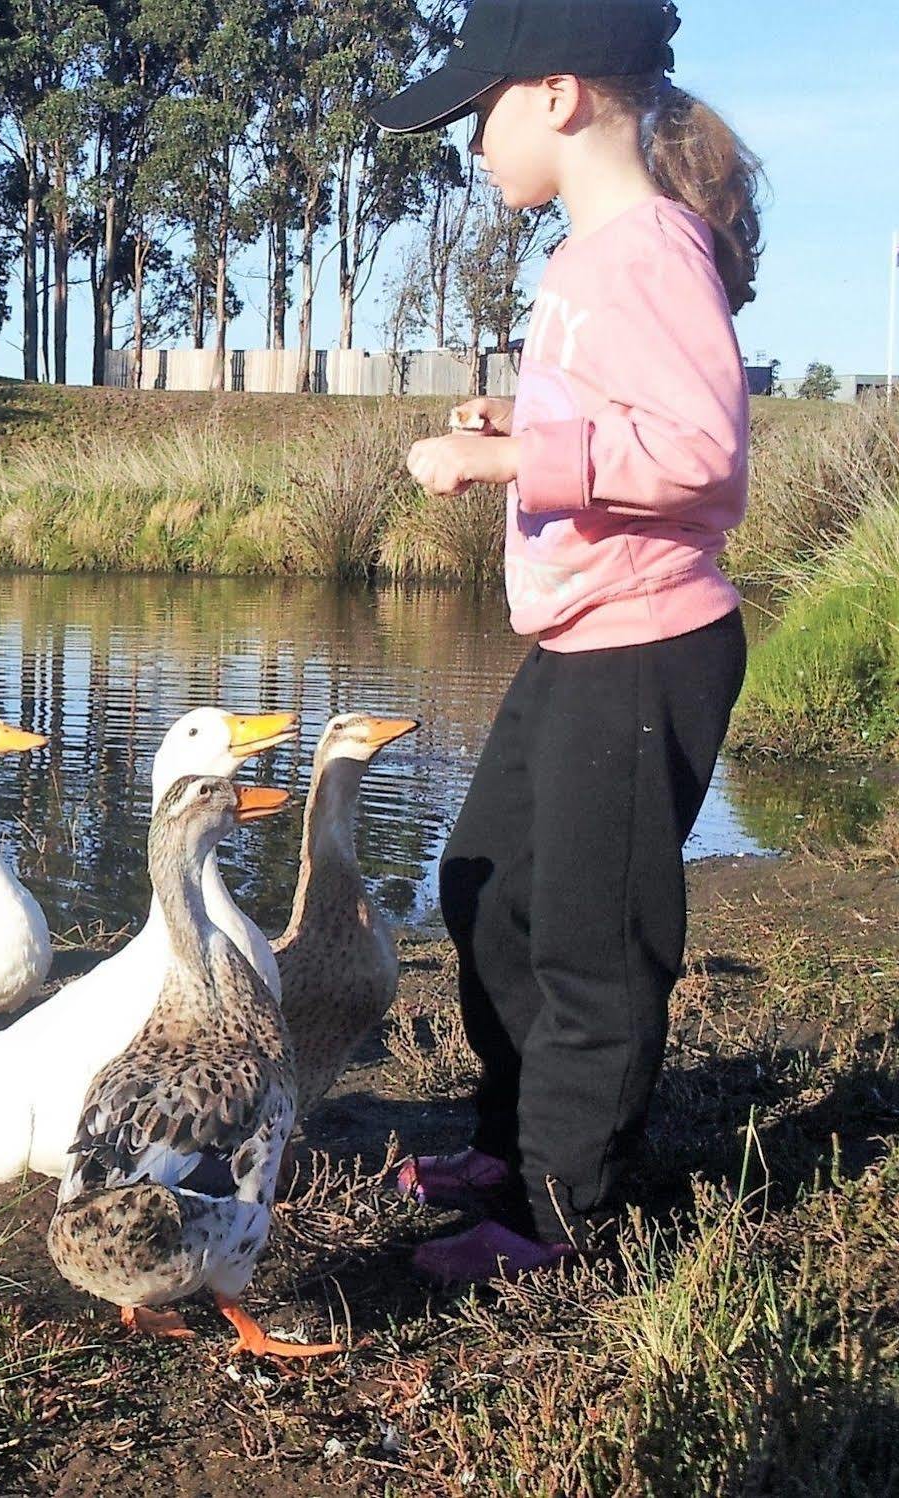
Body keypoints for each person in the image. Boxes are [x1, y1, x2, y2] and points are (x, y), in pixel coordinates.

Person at [372, 0, 761, 1286]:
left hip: (647, 643)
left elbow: (704, 456)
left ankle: (562, 1219)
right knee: (485, 890)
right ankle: (510, 1140)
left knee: (593, 940)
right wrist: (523, 409)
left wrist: (502, 456)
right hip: (582, 638)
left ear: (553, 96)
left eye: (474, 114)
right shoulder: (591, 256)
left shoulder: (644, 247)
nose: (468, 143)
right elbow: (627, 413)